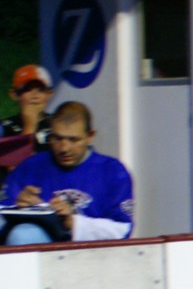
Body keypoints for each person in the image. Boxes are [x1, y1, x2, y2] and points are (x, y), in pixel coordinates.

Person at [0, 101, 133, 245]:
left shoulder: (112, 171)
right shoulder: (30, 167)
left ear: (90, 136)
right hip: (35, 249)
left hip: (90, 253)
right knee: (24, 234)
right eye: (57, 138)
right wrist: (16, 207)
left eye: (73, 140)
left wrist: (73, 222)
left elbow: (123, 230)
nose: (64, 148)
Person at [1, 64, 54, 162]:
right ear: (14, 95)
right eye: (27, 89)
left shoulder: (58, 125)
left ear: (49, 94)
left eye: (40, 90)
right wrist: (29, 126)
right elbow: (14, 167)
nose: (35, 96)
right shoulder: (4, 128)